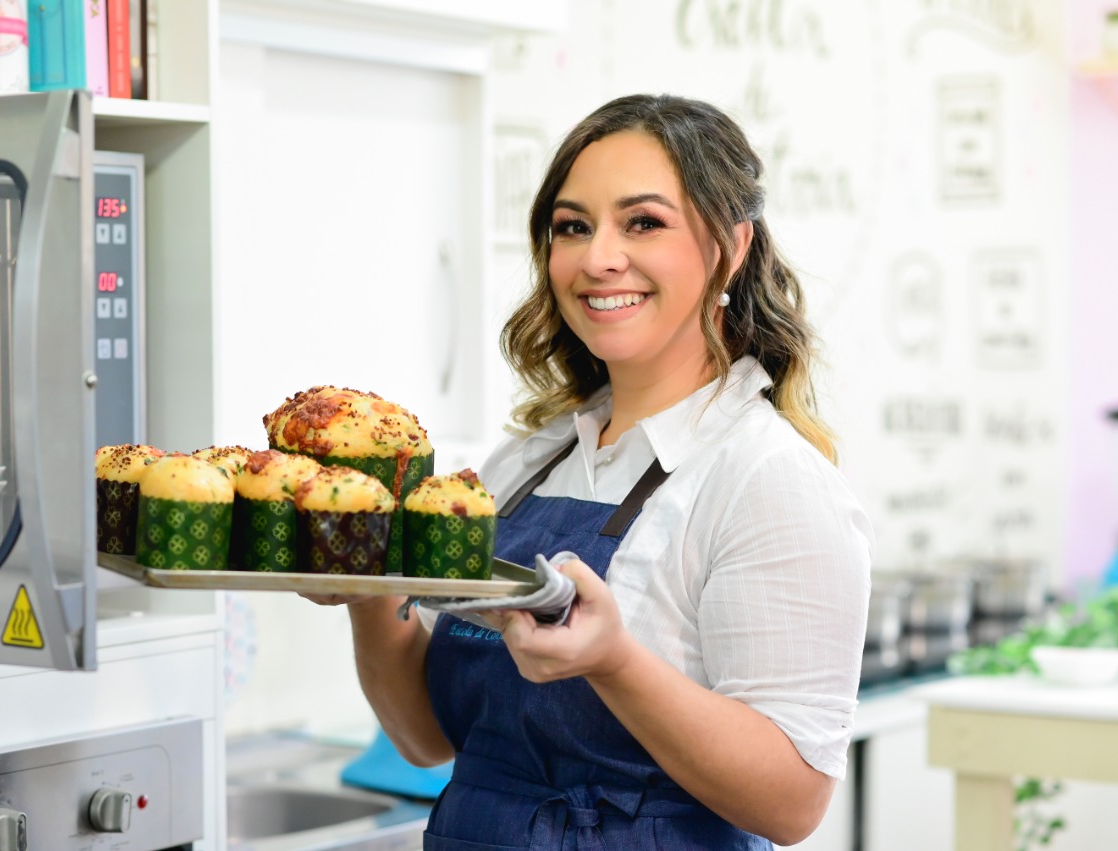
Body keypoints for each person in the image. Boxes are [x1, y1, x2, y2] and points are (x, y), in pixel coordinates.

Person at [320, 93, 873, 849]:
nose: (596, 257)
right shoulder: (526, 463)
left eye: (642, 222)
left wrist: (614, 662)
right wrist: (368, 589)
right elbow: (428, 738)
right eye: (572, 227)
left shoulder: (767, 479)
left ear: (730, 247)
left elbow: (792, 802)